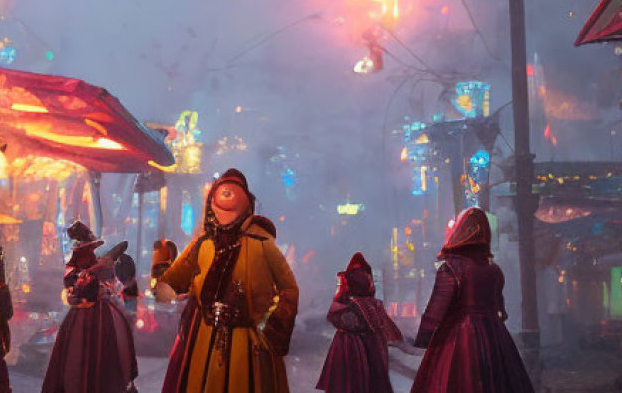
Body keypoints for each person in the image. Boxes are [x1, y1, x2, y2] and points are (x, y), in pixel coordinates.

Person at [155, 168, 299, 393]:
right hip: (205, 335)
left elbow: (289, 289)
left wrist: (270, 326)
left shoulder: (262, 243)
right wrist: (160, 272)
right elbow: (171, 283)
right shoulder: (203, 244)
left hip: (250, 342)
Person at [410, 207, 534, 393]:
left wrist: (424, 338)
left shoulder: (451, 268)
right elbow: (500, 310)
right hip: (494, 336)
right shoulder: (493, 269)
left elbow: (437, 310)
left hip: (460, 336)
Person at [41, 221, 138, 393]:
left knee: (107, 349)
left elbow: (112, 283)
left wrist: (99, 283)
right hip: (87, 310)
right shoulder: (79, 259)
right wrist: (86, 279)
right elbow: (74, 284)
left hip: (99, 309)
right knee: (80, 355)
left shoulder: (97, 256)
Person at [316, 252, 405, 393]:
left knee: (353, 383)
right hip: (371, 346)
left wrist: (341, 292)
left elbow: (333, 316)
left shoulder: (351, 306)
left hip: (351, 347)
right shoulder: (374, 305)